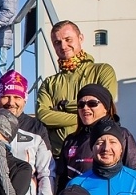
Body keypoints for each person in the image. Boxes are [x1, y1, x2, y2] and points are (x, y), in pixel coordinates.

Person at [35, 21, 118, 153]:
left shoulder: (102, 71)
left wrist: (62, 106)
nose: (63, 46)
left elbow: (105, 106)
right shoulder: (49, 83)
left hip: (94, 153)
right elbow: (43, 115)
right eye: (57, 42)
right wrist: (86, 115)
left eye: (68, 39)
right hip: (58, 156)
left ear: (80, 38)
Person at [58, 84, 136, 186]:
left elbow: (134, 177)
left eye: (92, 103)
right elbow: (61, 181)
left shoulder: (122, 135)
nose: (85, 108)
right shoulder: (71, 140)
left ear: (106, 107)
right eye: (81, 105)